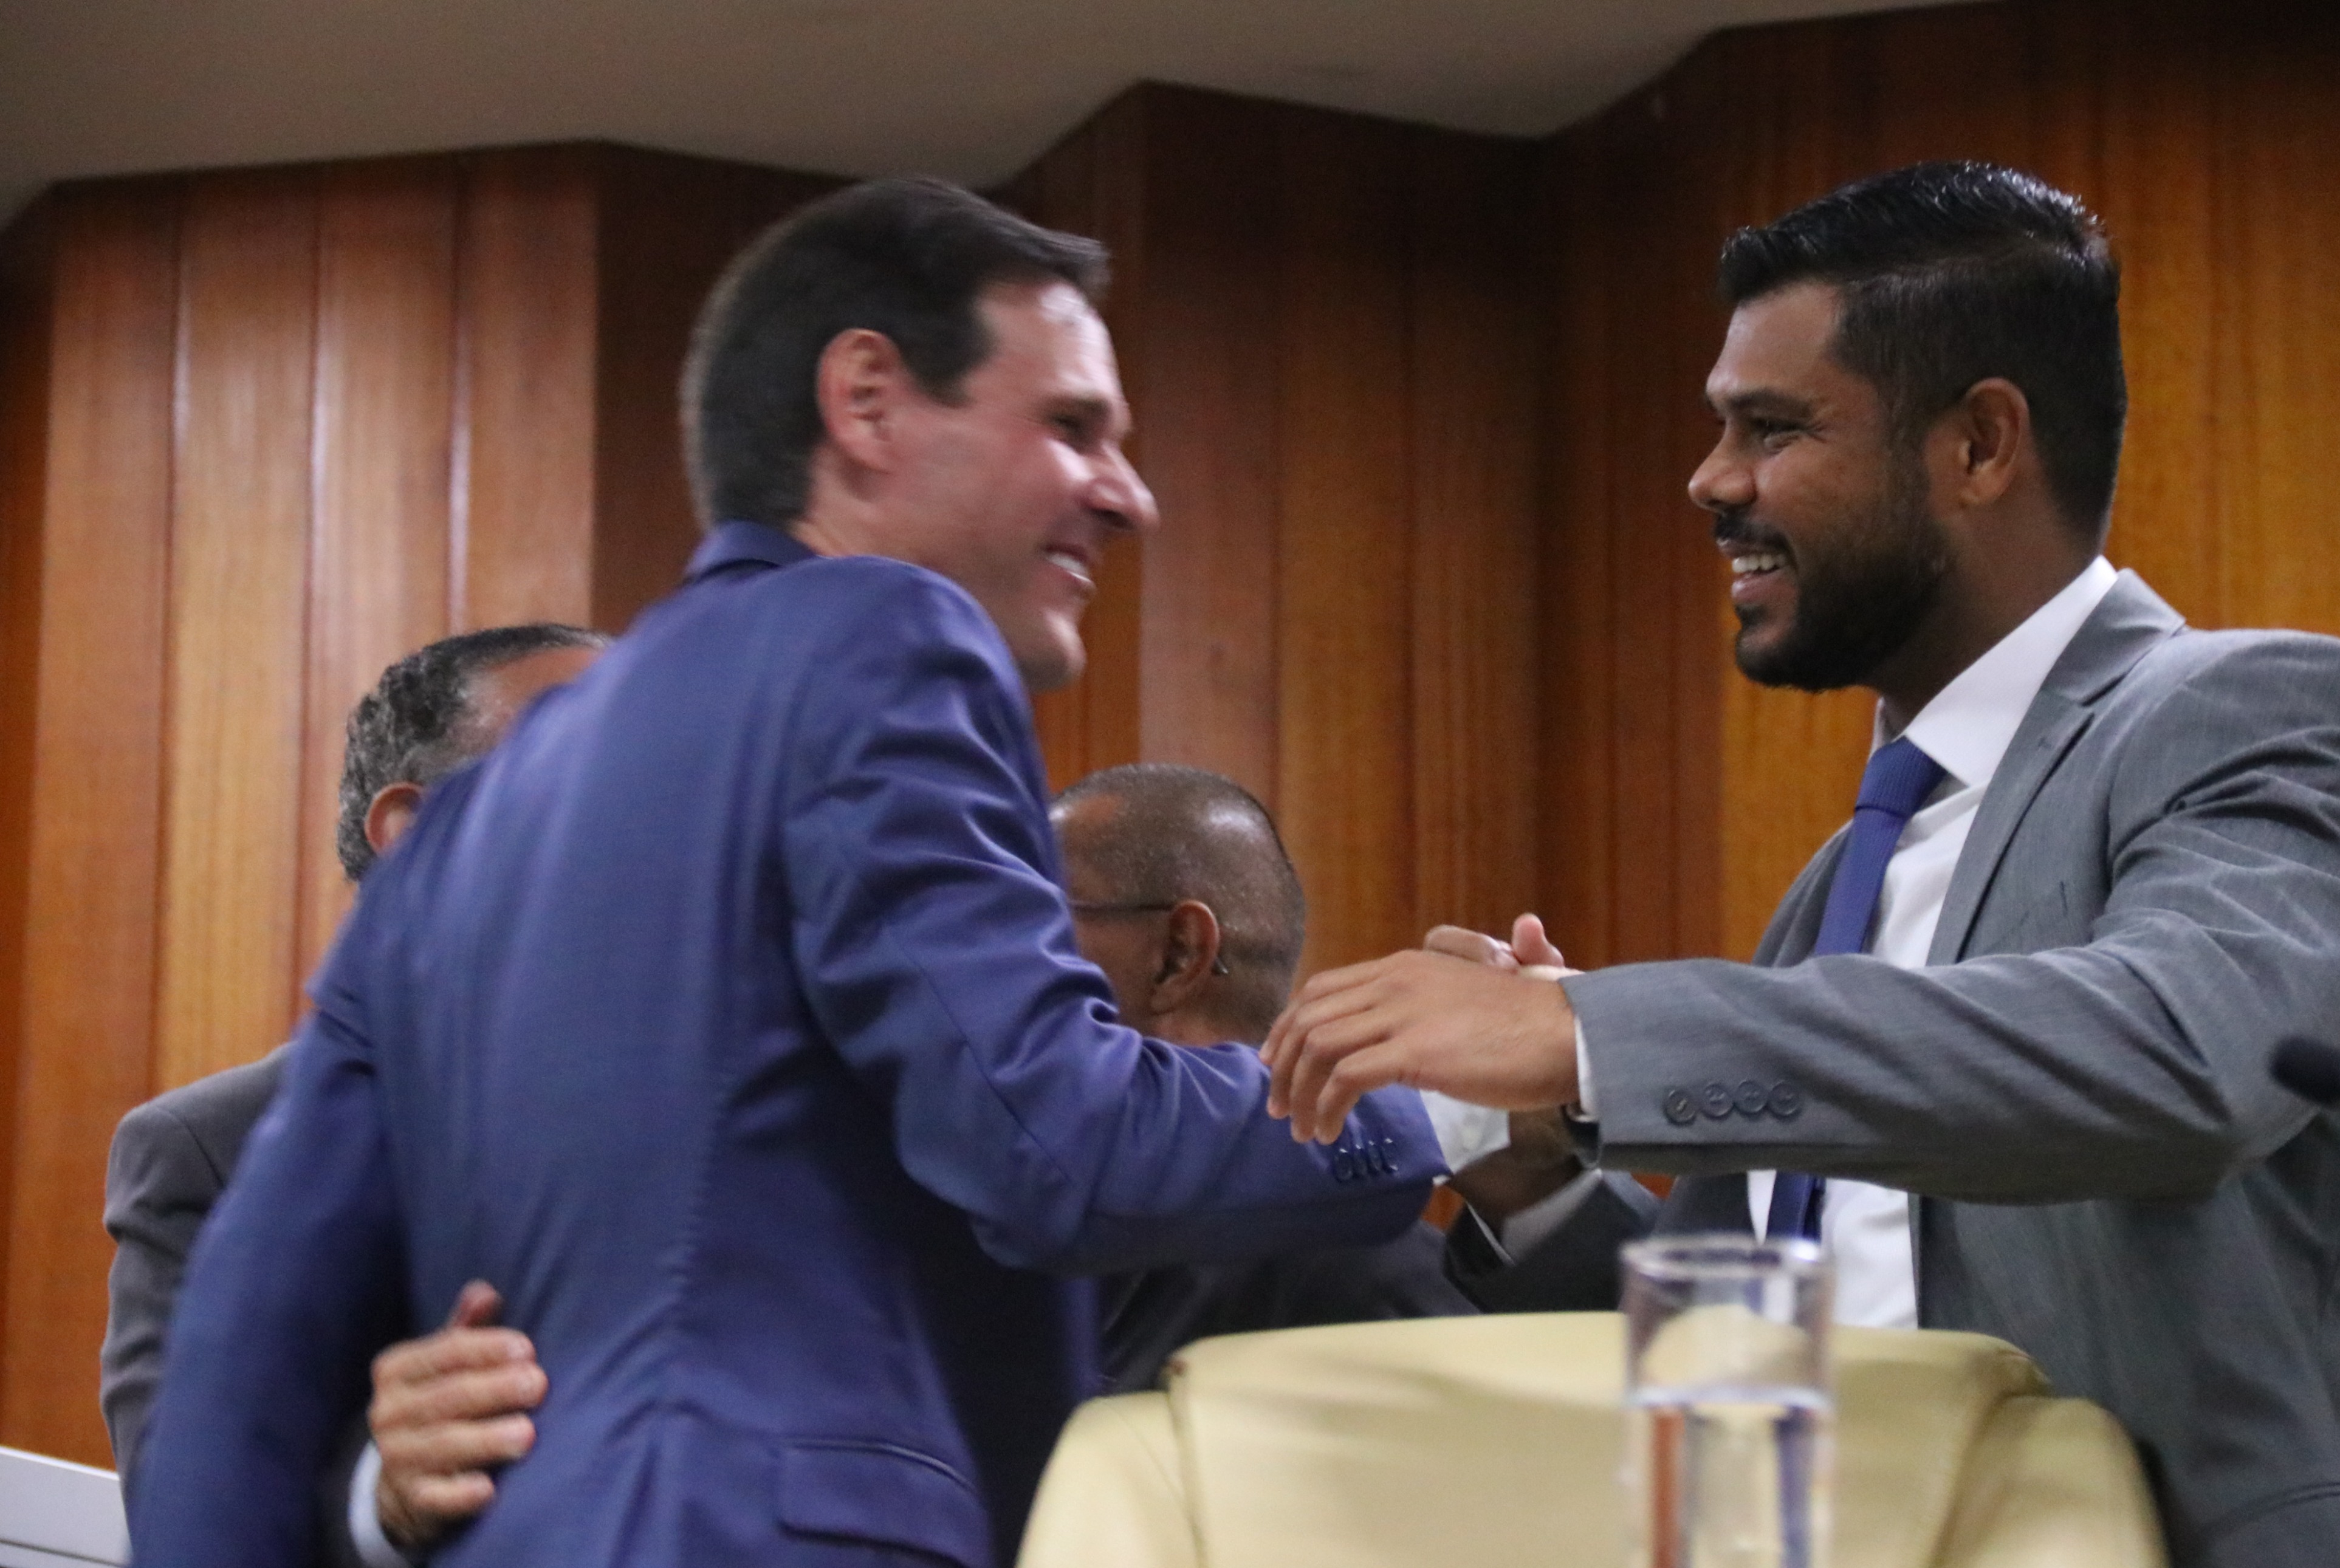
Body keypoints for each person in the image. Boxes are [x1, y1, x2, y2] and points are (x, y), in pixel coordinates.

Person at [130, 177, 1447, 1568]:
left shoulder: (465, 829)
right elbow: (1049, 1134)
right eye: (1072, 427)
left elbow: (236, 1385)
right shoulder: (884, 631)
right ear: (867, 401)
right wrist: (1454, 1098)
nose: (1130, 493)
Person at [1260, 160, 2340, 1567]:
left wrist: (1588, 1033)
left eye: (1771, 427)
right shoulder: (1841, 879)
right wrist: (1536, 1175)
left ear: (1979, 446)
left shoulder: (2254, 708)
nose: (1710, 480)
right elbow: (1743, 1355)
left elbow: (2185, 1057)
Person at [102, 623, 602, 1563]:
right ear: (412, 837)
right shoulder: (210, 1150)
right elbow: (186, 1513)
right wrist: (383, 1500)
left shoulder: (755, 1116)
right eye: (592, 769)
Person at [1048, 762, 1475, 1392]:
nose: (1011, 963)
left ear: (1177, 956)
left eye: (1040, 917)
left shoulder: (1368, 1285)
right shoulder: (1021, 1226)